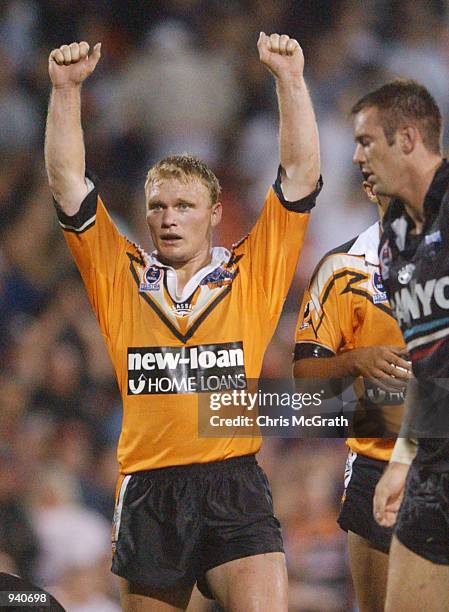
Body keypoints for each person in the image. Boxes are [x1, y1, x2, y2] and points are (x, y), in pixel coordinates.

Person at [45, 34, 321, 612]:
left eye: (185, 206)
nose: (169, 220)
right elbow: (69, 184)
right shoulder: (119, 276)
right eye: (157, 206)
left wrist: (291, 82)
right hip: (149, 489)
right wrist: (66, 92)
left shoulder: (252, 273)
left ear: (215, 212)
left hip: (232, 484)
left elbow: (297, 176)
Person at [352, 79, 449, 612]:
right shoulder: (393, 243)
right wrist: (400, 463)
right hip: (434, 468)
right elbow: (428, 368)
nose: (356, 156)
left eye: (367, 142)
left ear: (408, 139)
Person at [293, 178, 411, 612]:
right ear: (368, 186)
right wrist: (356, 360)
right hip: (375, 458)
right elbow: (305, 379)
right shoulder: (342, 266)